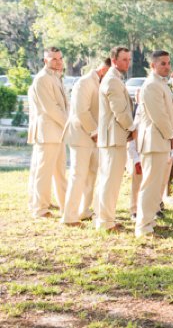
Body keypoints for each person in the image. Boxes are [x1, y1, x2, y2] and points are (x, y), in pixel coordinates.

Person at [134, 50, 173, 237]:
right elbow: (158, 116)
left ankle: (150, 220)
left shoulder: (162, 84)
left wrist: (172, 134)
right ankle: (143, 227)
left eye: (168, 63)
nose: (167, 66)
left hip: (161, 140)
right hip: (154, 140)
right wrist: (171, 135)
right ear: (153, 65)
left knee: (157, 185)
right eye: (162, 63)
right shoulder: (151, 85)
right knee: (150, 185)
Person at [61, 58, 111, 226]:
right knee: (78, 175)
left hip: (95, 137)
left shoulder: (100, 83)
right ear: (104, 70)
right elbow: (82, 111)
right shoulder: (84, 83)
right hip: (81, 135)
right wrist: (94, 132)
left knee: (91, 175)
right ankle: (69, 216)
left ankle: (84, 210)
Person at [95, 46, 135, 232]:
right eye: (124, 59)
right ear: (114, 60)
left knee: (110, 179)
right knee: (110, 180)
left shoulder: (115, 79)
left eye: (129, 59)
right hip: (112, 137)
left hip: (115, 137)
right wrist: (132, 128)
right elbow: (120, 111)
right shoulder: (112, 81)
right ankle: (105, 221)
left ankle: (106, 218)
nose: (128, 62)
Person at [28, 47, 70, 219]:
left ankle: (65, 204)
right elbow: (51, 109)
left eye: (60, 58)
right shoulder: (42, 79)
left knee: (59, 170)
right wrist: (69, 124)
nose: (58, 62)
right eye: (53, 59)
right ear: (45, 60)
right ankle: (40, 209)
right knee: (43, 171)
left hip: (57, 132)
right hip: (47, 132)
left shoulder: (56, 77)